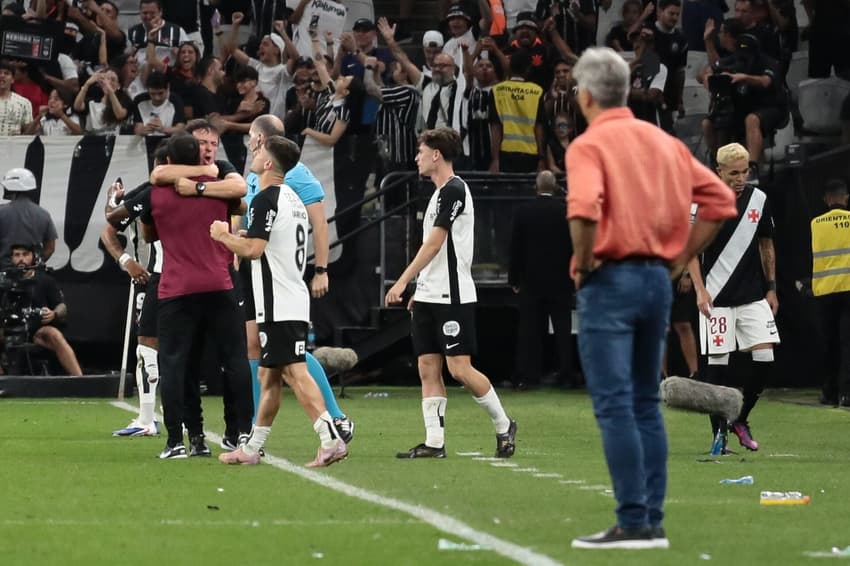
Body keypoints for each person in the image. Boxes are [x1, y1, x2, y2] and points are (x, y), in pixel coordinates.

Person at [566, 47, 735, 549]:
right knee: (644, 403)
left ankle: (633, 520)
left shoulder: (589, 145)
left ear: (586, 95)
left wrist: (585, 262)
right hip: (656, 281)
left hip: (610, 279)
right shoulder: (664, 142)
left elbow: (584, 211)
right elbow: (720, 200)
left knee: (615, 404)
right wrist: (680, 258)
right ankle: (650, 521)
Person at [212, 135, 348, 467]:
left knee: (295, 373)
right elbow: (272, 242)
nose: (254, 153)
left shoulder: (266, 199)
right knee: (268, 377)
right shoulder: (292, 198)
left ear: (269, 163)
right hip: (290, 298)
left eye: (259, 151)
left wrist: (223, 236)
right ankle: (252, 448)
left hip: (277, 302)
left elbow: (254, 250)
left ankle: (331, 438)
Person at [386, 128, 517, 460]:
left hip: (453, 296)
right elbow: (434, 251)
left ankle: (504, 424)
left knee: (459, 369)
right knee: (427, 367)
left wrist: (402, 281)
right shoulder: (437, 194)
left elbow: (435, 243)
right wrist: (421, 288)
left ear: (436, 155)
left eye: (421, 152)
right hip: (430, 294)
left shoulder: (455, 190)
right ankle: (434, 442)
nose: (416, 158)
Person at [240, 115, 354, 443]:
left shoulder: (294, 172)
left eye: (251, 135)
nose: (248, 141)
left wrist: (321, 270)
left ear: (261, 139)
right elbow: (248, 215)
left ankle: (336, 417)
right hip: (255, 267)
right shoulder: (256, 172)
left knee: (291, 353)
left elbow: (319, 223)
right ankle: (254, 426)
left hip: (280, 271)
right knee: (254, 346)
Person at [149, 134, 253, 459]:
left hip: (176, 289)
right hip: (219, 284)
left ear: (169, 160)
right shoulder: (219, 190)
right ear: (199, 157)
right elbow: (241, 201)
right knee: (235, 359)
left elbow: (144, 227)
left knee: (175, 364)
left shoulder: (156, 194)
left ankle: (178, 440)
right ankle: (242, 433)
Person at [688, 142, 779, 455]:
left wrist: (771, 288)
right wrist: (700, 290)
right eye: (734, 173)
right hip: (716, 299)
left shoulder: (758, 199)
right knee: (717, 368)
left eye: (745, 172)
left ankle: (739, 418)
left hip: (753, 295)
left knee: (765, 359)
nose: (741, 178)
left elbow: (766, 244)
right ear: (719, 172)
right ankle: (719, 436)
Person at [102, 143, 168, 438]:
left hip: (189, 278)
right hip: (152, 276)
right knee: (147, 345)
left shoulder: (201, 189)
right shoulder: (148, 192)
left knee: (180, 347)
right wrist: (127, 261)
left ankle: (178, 417)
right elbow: (109, 226)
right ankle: (147, 416)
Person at [508, 170, 575, 389]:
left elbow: (515, 248)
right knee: (563, 329)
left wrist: (513, 279)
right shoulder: (565, 211)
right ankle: (567, 375)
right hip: (561, 280)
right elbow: (573, 246)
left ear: (536, 187)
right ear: (555, 187)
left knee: (529, 330)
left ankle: (528, 375)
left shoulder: (523, 212)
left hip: (531, 280)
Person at [8, 244, 83, 376]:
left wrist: (54, 314)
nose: (21, 259)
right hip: (9, 331)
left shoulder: (45, 280)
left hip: (37, 331)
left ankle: (80, 379)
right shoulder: (6, 281)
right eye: (17, 255)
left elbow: (62, 306)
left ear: (33, 257)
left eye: (25, 254)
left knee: (54, 334)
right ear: (11, 258)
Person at [809, 179, 850, 407]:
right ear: (846, 198)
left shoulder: (816, 224)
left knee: (829, 345)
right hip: (849, 289)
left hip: (825, 292)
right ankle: (847, 394)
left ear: (827, 199)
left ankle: (829, 392)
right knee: (847, 344)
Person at [0, 168, 58, 269]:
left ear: (10, 187)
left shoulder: (1, 212)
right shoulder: (43, 214)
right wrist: (34, 264)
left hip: (4, 271)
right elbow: (50, 248)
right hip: (32, 273)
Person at [0, 60, 33, 135]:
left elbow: (28, 133)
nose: (2, 76)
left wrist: (38, 118)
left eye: (6, 73)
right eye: (0, 73)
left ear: (12, 79)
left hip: (14, 142)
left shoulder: (24, 103)